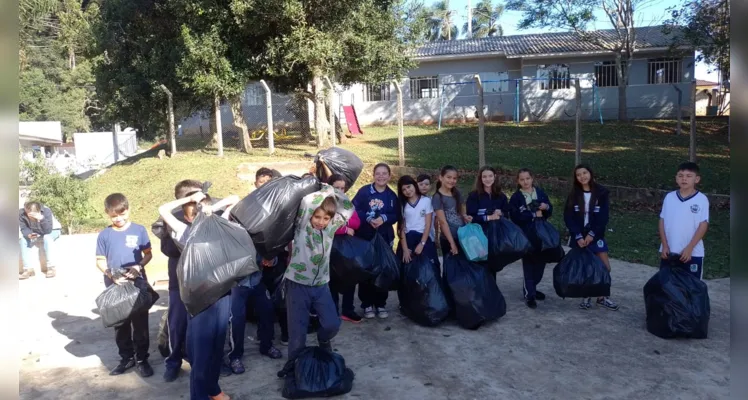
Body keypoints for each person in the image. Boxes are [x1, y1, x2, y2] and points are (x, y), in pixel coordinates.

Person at [158, 190, 240, 400]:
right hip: (199, 302)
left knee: (216, 349)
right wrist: (189, 199)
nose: (200, 217)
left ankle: (214, 390)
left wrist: (210, 207)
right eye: (195, 214)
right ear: (187, 218)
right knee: (201, 356)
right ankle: (200, 396)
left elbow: (234, 199)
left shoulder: (217, 225)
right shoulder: (185, 233)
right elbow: (163, 210)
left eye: (204, 213)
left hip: (222, 297)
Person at [284, 184, 353, 362]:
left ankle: (323, 340)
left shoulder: (330, 230)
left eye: (325, 218)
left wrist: (332, 191)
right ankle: (294, 365)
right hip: (297, 284)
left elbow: (347, 207)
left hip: (321, 285)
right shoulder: (302, 228)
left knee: (332, 323)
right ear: (311, 216)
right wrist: (323, 190)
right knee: (297, 331)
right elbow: (307, 201)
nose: (320, 222)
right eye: (317, 217)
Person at [95, 193, 154, 377]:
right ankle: (126, 358)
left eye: (122, 214)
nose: (119, 219)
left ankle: (142, 359)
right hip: (115, 282)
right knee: (120, 325)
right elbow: (99, 260)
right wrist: (110, 275)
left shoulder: (139, 230)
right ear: (108, 214)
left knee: (141, 325)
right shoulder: (104, 235)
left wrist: (139, 266)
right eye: (114, 216)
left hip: (136, 282)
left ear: (128, 209)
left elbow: (148, 254)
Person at [157, 179, 205, 382]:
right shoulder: (171, 220)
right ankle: (173, 362)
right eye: (195, 199)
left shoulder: (205, 215)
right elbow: (167, 250)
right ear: (186, 201)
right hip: (178, 281)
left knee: (202, 327)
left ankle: (201, 363)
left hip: (203, 283)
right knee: (176, 325)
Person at [563, 164, 619, 311]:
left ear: (590, 173)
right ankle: (586, 296)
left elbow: (603, 217)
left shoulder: (601, 192)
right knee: (585, 267)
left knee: (604, 267)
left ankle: (602, 297)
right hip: (580, 237)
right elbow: (568, 217)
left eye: (585, 173)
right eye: (579, 175)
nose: (582, 176)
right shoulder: (574, 194)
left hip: (596, 236)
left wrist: (592, 234)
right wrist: (578, 236)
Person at [351, 163, 400, 319]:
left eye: (384, 173)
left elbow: (396, 214)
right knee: (367, 271)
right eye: (378, 173)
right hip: (365, 237)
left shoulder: (391, 196)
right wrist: (368, 218)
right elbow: (353, 208)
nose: (381, 176)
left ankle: (380, 304)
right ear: (373, 175)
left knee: (382, 270)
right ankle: (366, 304)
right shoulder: (365, 192)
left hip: (384, 238)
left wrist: (383, 219)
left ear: (389, 175)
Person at [509, 168, 553, 309]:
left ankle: (532, 288)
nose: (525, 181)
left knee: (540, 265)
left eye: (527, 178)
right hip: (526, 235)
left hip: (541, 234)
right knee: (529, 264)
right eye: (522, 179)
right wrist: (532, 215)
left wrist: (546, 207)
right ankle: (530, 295)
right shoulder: (516, 198)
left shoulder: (539, 193)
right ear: (518, 181)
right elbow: (515, 217)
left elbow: (549, 210)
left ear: (532, 179)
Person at [658, 162, 710, 280]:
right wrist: (665, 245)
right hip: (669, 252)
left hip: (692, 253)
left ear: (696, 179)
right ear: (676, 178)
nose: (684, 179)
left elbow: (703, 225)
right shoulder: (669, 197)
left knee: (691, 289)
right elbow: (662, 220)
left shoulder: (702, 199)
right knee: (667, 287)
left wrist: (690, 248)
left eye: (688, 176)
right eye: (680, 175)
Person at [328, 174, 363, 323]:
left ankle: (348, 310)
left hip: (346, 247)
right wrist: (343, 229)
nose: (341, 190)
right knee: (332, 279)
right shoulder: (325, 203)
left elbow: (356, 222)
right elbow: (323, 224)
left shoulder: (347, 202)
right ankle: (333, 310)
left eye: (343, 188)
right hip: (330, 246)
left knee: (350, 275)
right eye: (337, 187)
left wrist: (344, 226)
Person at [397, 175, 438, 266]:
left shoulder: (426, 201)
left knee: (430, 270)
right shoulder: (402, 205)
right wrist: (405, 249)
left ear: (414, 185)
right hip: (407, 240)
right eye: (404, 189)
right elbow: (401, 228)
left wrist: (422, 244)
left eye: (409, 186)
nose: (407, 191)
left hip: (423, 239)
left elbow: (428, 224)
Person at [432, 165, 472, 258]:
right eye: (449, 177)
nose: (452, 180)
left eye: (454, 178)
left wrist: (465, 217)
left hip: (462, 236)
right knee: (451, 269)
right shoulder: (438, 197)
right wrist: (452, 243)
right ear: (441, 178)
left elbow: (462, 212)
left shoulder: (456, 193)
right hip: (449, 239)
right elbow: (442, 222)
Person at [19, 201, 62, 279]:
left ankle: (51, 268)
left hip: (53, 230)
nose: (28, 214)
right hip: (37, 232)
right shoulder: (21, 213)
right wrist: (28, 234)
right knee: (23, 240)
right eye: (27, 211)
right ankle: (28, 269)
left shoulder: (46, 211)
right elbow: (24, 228)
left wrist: (41, 219)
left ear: (38, 211)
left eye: (31, 213)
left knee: (47, 237)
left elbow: (48, 230)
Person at [417, 174, 436, 245]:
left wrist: (436, 236)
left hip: (430, 235)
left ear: (430, 186)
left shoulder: (432, 200)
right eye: (421, 184)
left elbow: (435, 220)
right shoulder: (414, 200)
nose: (424, 186)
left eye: (426, 184)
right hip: (417, 234)